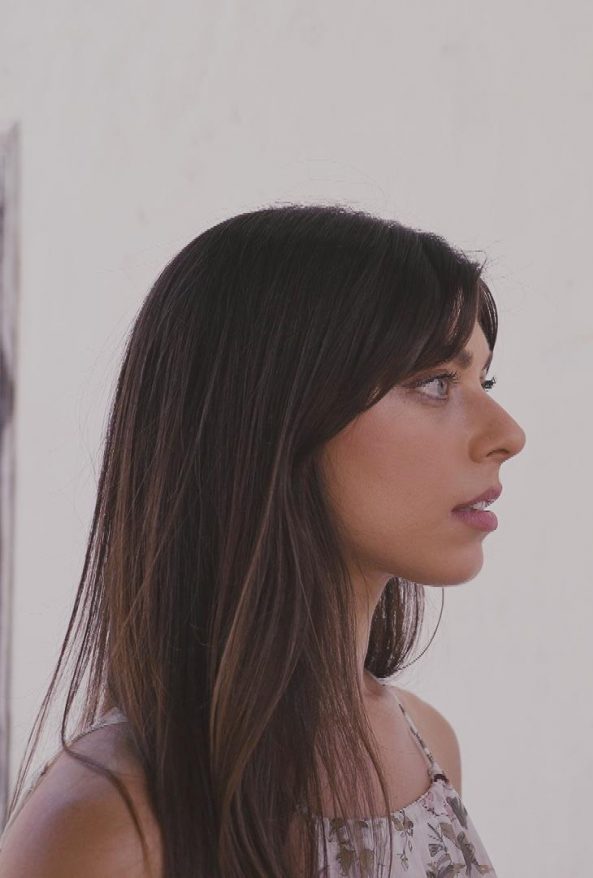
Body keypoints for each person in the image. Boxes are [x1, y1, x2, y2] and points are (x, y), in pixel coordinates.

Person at [0, 206, 523, 876]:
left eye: (485, 380)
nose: (508, 434)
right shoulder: (108, 826)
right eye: (435, 382)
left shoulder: (428, 747)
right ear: (273, 416)